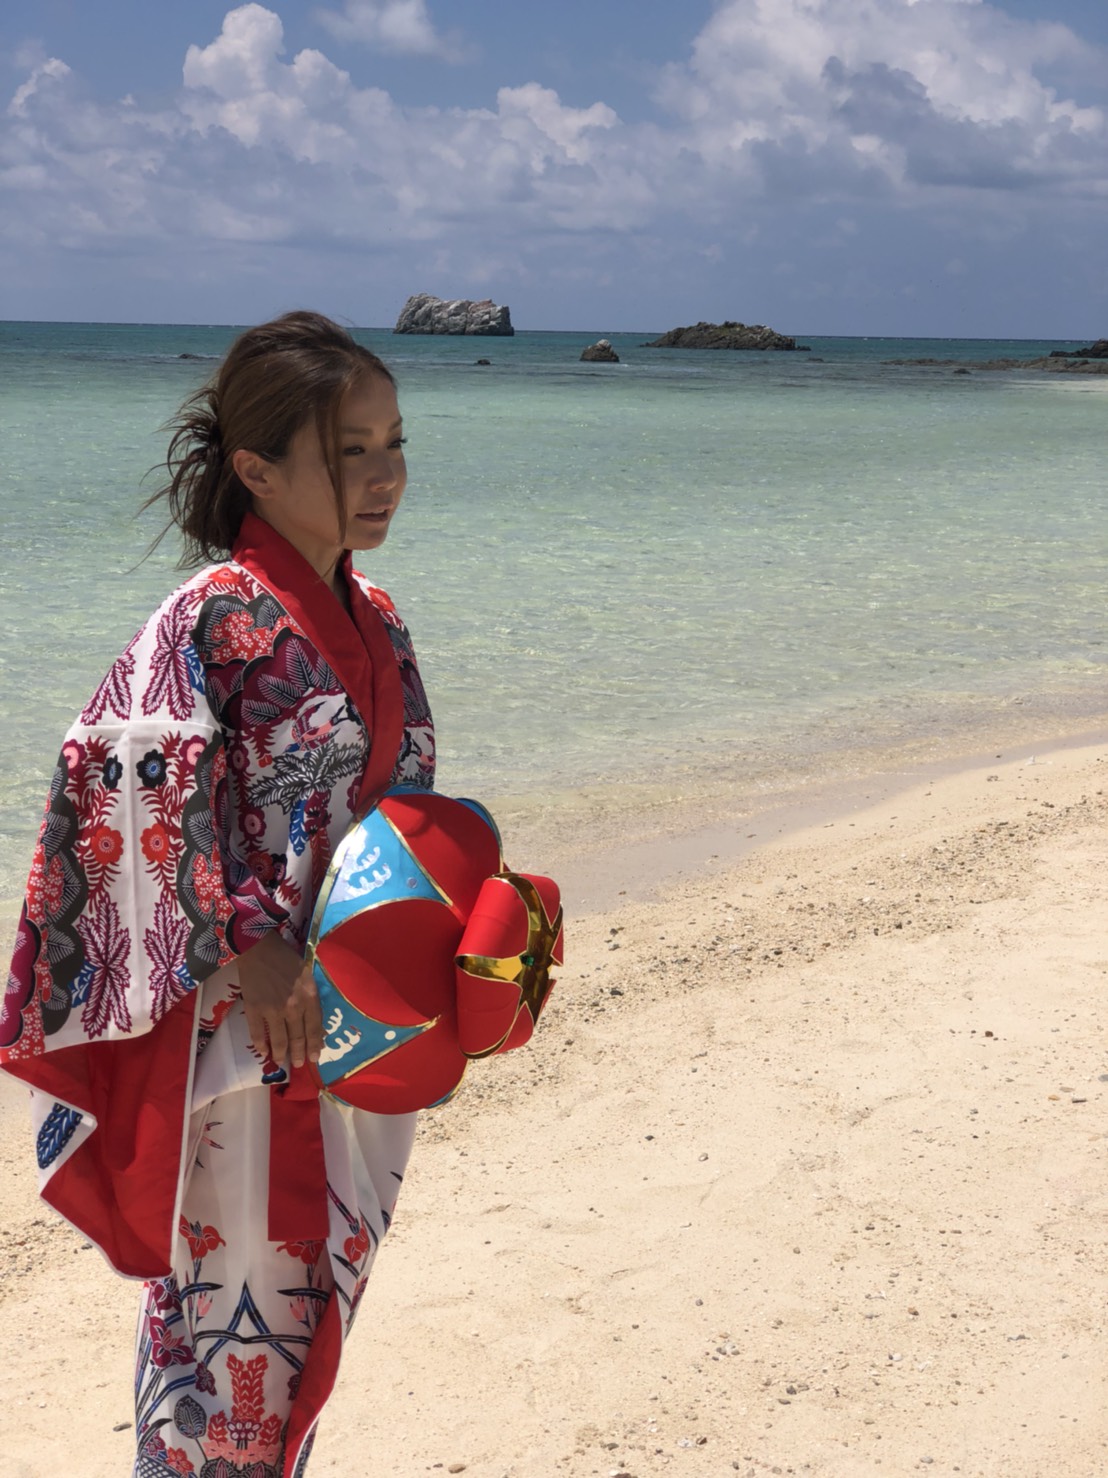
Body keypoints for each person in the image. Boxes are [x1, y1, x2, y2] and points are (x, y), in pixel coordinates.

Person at [0, 312, 436, 1477]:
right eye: (352, 449)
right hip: (240, 1045)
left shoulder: (378, 619)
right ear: (256, 467)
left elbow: (407, 818)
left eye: (395, 442)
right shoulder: (206, 620)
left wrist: (470, 939)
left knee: (302, 1309)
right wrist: (250, 943)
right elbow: (113, 782)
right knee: (219, 1324)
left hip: (348, 1034)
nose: (387, 473)